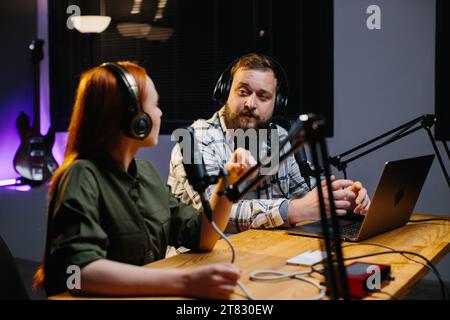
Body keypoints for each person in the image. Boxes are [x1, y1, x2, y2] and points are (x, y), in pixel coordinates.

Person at [34, 61, 256, 299]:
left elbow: (203, 236)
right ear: (135, 119)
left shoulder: (146, 172)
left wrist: (228, 185)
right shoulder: (80, 176)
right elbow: (77, 274)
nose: (160, 113)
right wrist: (185, 281)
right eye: (155, 105)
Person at [168, 53, 371, 233]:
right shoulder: (196, 139)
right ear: (226, 92)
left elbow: (305, 193)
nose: (250, 104)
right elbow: (213, 212)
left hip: (262, 255)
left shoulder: (280, 137)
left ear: (277, 103)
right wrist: (294, 210)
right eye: (243, 91)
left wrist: (341, 200)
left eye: (263, 96)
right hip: (198, 260)